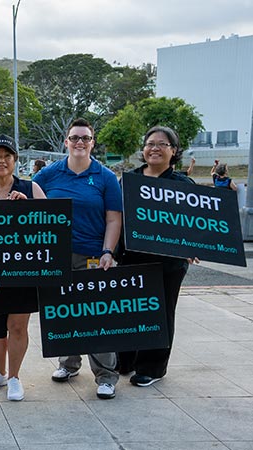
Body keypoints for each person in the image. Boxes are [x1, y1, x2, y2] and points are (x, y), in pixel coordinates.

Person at [32, 118, 123, 400]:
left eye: (85, 138)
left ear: (92, 143)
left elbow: (114, 218)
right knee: (63, 312)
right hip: (56, 256)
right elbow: (27, 199)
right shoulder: (49, 174)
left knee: (96, 316)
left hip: (93, 255)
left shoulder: (105, 177)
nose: (79, 142)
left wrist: (108, 251)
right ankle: (68, 364)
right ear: (66, 142)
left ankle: (106, 375)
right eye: (75, 138)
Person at [117, 126, 198, 387]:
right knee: (129, 310)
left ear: (174, 151)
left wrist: (195, 246)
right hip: (131, 258)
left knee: (160, 312)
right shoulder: (128, 181)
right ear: (143, 149)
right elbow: (116, 218)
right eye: (150, 143)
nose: (155, 148)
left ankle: (152, 367)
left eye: (162, 144)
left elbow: (196, 223)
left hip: (168, 263)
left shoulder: (183, 185)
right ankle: (125, 360)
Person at [0, 134, 46, 402]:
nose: (1, 161)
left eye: (7, 156)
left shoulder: (31, 189)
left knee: (17, 326)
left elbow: (51, 226)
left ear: (15, 160)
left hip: (23, 272)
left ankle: (14, 376)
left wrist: (29, 208)